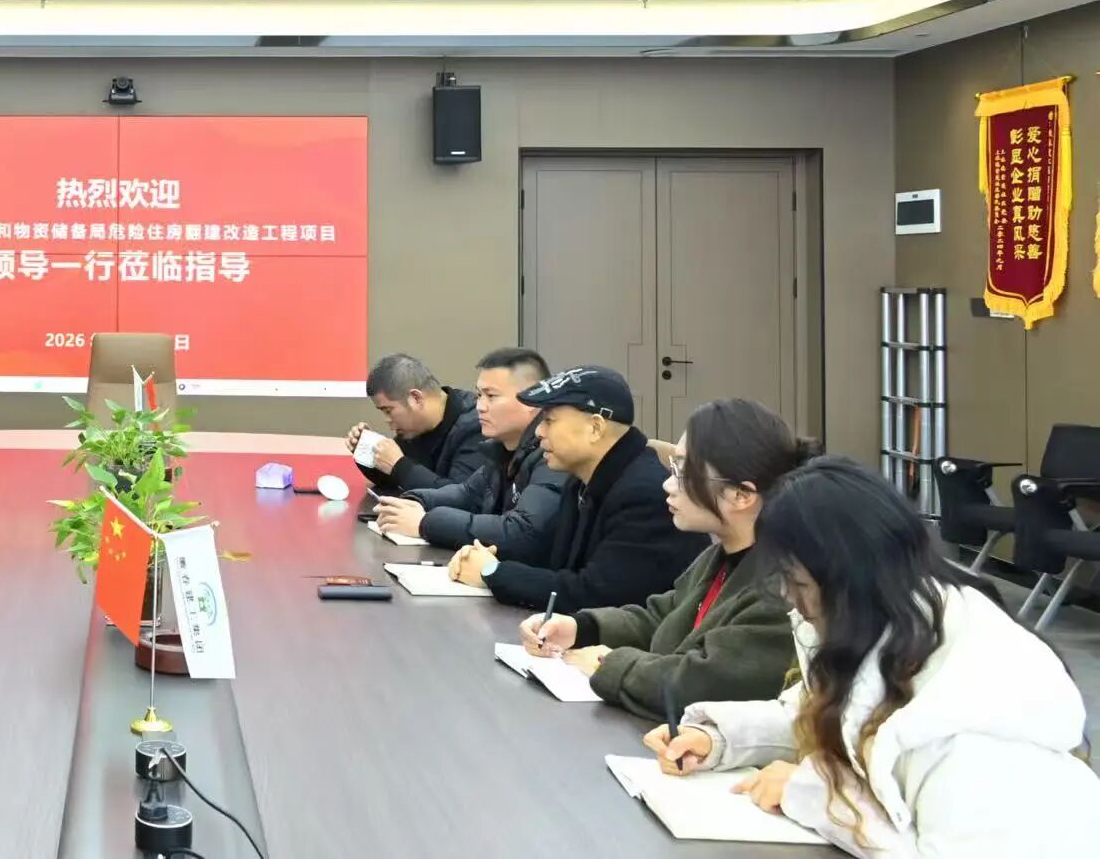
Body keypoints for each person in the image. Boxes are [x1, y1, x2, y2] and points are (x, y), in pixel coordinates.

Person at [645, 458, 1100, 857]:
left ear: (847, 576)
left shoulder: (976, 715)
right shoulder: (890, 626)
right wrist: (719, 739)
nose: (790, 599)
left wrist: (814, 794)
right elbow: (829, 715)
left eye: (798, 584)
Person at [519, 397, 807, 717]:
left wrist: (608, 665)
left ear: (741, 494)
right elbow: (661, 618)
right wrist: (581, 627)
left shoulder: (784, 589)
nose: (668, 484)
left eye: (684, 471)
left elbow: (701, 684)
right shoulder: (720, 557)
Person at [451, 364, 705, 612]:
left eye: (549, 420)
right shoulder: (583, 478)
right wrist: (486, 558)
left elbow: (596, 596)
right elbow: (559, 566)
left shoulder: (645, 495)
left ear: (595, 428)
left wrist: (493, 572)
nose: (538, 431)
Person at [373, 347, 566, 561]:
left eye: (491, 396)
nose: (480, 406)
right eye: (479, 395)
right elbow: (467, 494)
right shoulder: (502, 449)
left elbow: (522, 532)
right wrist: (415, 501)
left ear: (531, 400)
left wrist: (425, 523)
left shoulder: (552, 454)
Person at [343, 353, 486, 494]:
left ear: (416, 398)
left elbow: (462, 497)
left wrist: (400, 466)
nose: (387, 420)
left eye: (388, 410)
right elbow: (394, 478)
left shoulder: (477, 425)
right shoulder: (416, 428)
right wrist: (368, 453)